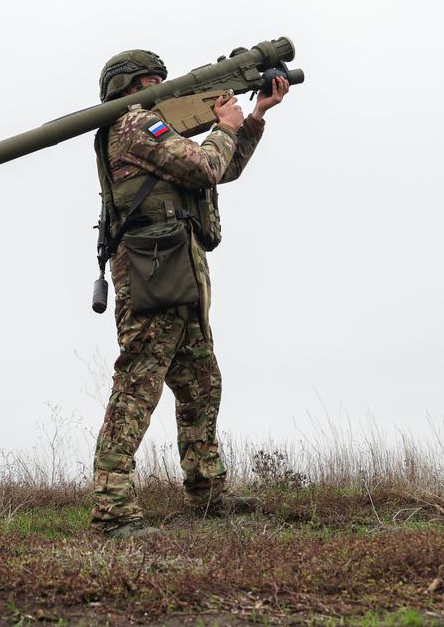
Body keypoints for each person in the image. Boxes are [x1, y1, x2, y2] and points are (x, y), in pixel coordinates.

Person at [91, 49, 290, 538]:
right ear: (128, 88)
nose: (160, 87)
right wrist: (224, 124)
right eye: (150, 81)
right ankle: (113, 509)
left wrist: (256, 116)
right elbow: (205, 166)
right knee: (138, 385)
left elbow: (224, 168)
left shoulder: (158, 128)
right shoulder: (136, 127)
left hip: (179, 266)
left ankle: (207, 491)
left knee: (202, 383)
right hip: (151, 269)